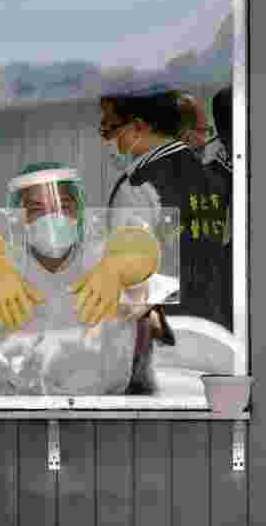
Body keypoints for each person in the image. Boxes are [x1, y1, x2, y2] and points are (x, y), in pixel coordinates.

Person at [0, 162, 161, 395]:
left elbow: (142, 252)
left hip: (97, 408)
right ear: (17, 216)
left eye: (64, 207)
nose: (52, 219)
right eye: (37, 209)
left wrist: (116, 268)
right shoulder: (4, 266)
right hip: (17, 406)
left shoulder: (101, 260)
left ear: (79, 212)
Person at [99, 88, 233, 392]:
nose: (108, 141)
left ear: (137, 128)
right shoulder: (213, 178)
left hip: (165, 352)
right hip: (214, 336)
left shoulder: (138, 186)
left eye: (109, 128)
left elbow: (132, 287)